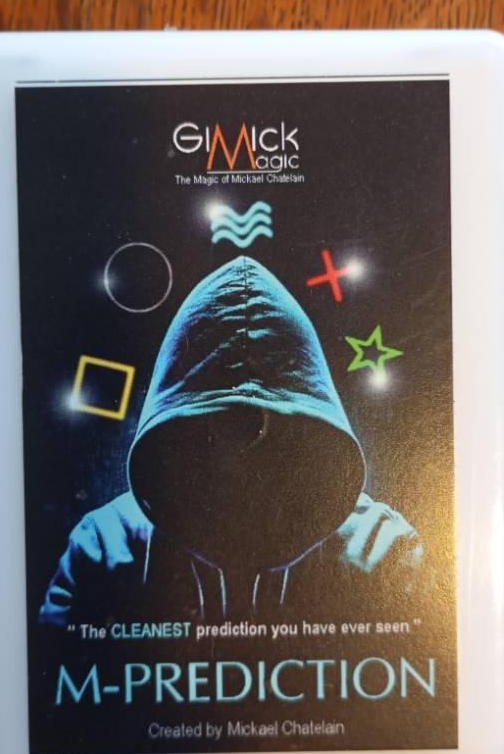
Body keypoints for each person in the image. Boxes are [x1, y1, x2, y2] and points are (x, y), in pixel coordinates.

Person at [39, 256, 424, 627]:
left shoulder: (380, 548)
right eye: (218, 427)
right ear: (174, 438)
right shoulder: (105, 546)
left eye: (260, 428)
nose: (241, 452)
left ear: (310, 436)